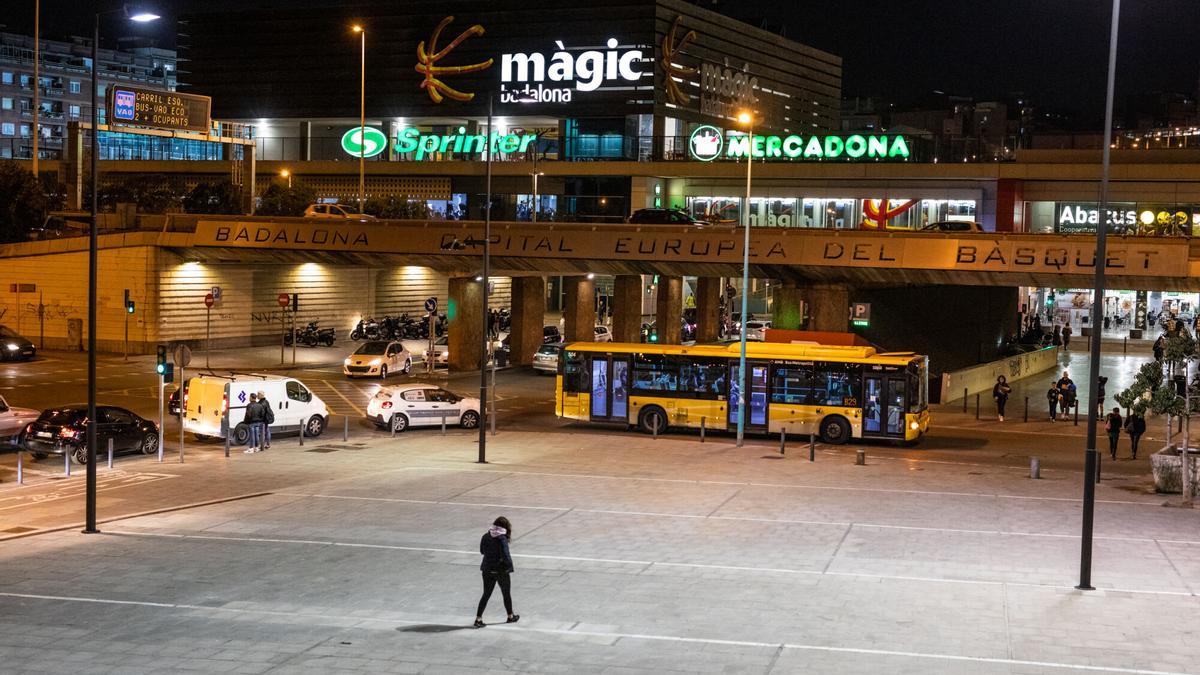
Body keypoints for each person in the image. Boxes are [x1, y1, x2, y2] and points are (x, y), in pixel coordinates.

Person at [475, 516, 519, 628]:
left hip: (487, 569)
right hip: (500, 571)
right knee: (506, 594)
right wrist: (509, 566)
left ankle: (478, 619)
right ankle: (510, 616)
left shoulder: (486, 536)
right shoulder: (502, 538)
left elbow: (482, 551)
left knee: (486, 594)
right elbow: (506, 555)